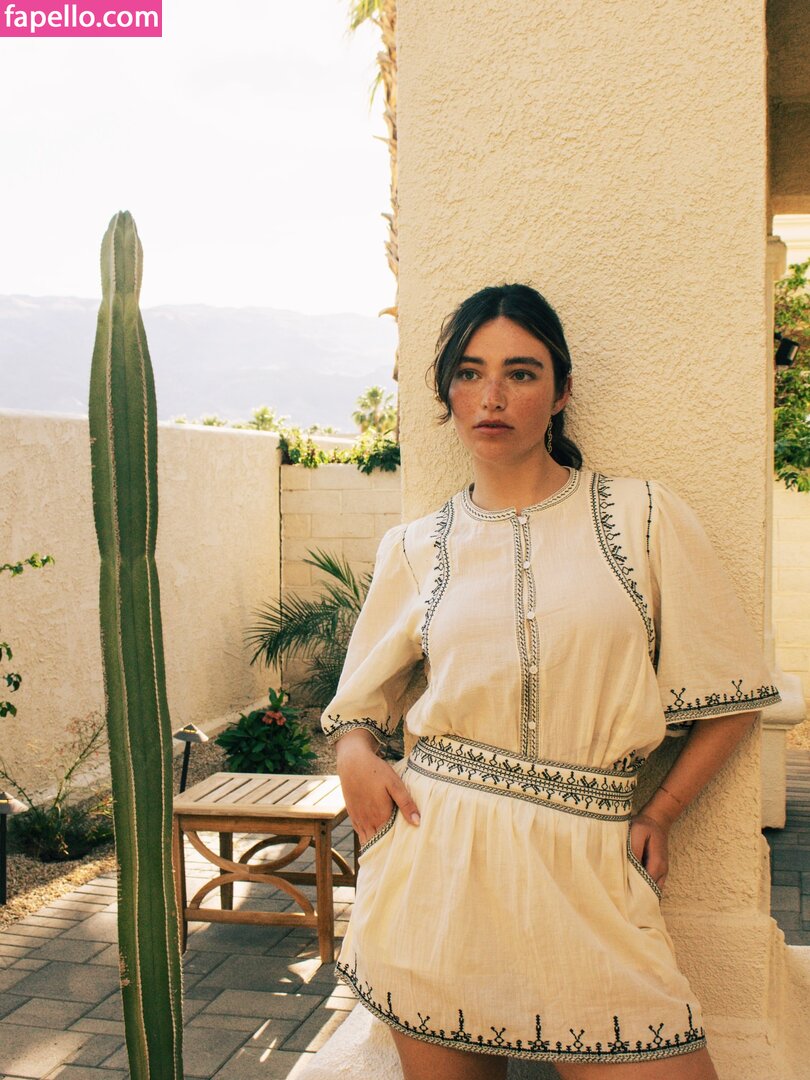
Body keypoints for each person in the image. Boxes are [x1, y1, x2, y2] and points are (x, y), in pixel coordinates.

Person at [321, 283, 781, 1080]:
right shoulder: (417, 548)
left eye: (521, 373)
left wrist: (663, 811)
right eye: (470, 373)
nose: (492, 397)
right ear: (447, 394)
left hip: (590, 870)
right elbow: (356, 706)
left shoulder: (642, 517)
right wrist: (355, 754)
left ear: (562, 391)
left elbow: (732, 695)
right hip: (436, 870)